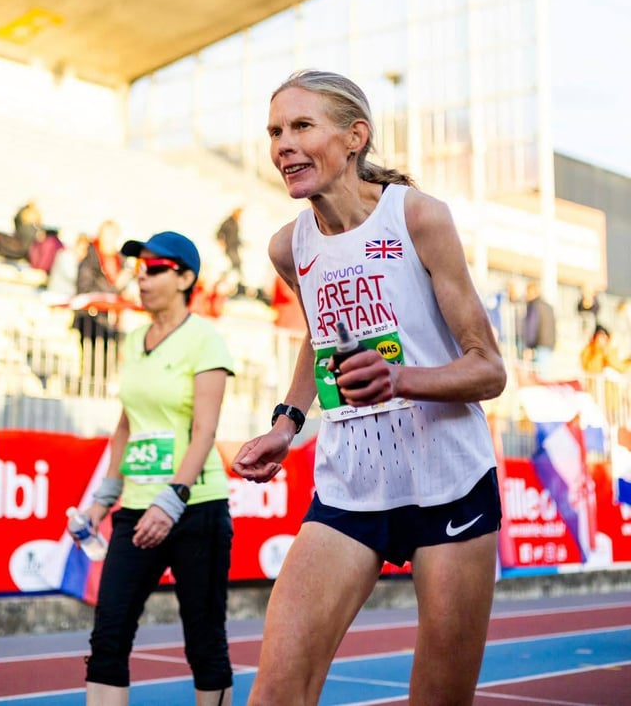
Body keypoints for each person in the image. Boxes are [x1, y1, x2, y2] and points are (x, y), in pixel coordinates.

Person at [232, 69, 506, 706]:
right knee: (275, 693)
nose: (283, 145)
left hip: (449, 485)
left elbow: (488, 369)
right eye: (275, 131)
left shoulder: (419, 219)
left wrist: (399, 379)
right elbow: (317, 337)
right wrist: (285, 423)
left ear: (355, 136)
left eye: (302, 126)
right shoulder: (288, 246)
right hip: (350, 488)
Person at [79, 230, 235, 706]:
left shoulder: (205, 340)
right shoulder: (131, 341)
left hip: (196, 508)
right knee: (108, 637)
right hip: (135, 509)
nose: (142, 278)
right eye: (139, 268)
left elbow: (204, 431)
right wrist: (102, 499)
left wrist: (171, 502)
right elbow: (126, 425)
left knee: (203, 641)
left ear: (186, 277)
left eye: (155, 269)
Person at [73, 220, 130, 382]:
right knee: (92, 364)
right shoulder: (90, 257)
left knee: (108, 364)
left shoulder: (120, 260)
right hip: (91, 319)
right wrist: (116, 287)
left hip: (112, 321)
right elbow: (85, 287)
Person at [521, 280, 556, 377]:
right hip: (548, 346)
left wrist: (529, 346)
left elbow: (531, 328)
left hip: (538, 347)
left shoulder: (534, 306)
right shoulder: (548, 306)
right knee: (544, 378)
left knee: (536, 380)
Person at [215, 207, 244, 290]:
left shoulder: (235, 223)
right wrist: (222, 243)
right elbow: (218, 233)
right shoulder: (228, 222)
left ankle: (236, 284)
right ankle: (225, 282)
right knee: (235, 264)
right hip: (229, 248)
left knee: (237, 264)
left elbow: (235, 237)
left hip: (234, 248)